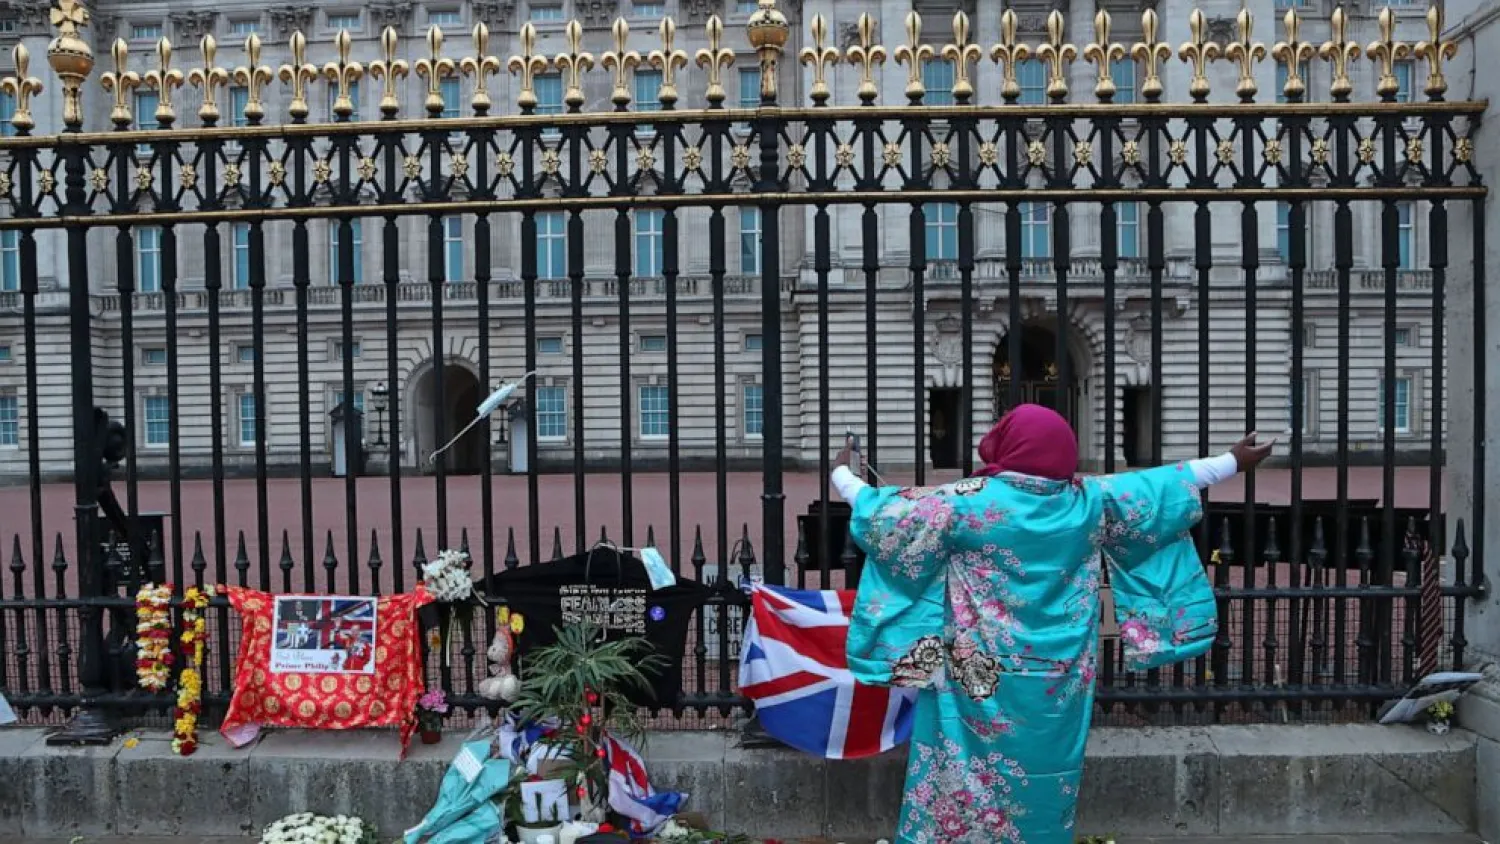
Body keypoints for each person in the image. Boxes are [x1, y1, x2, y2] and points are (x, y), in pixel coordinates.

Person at [831, 404, 1273, 844]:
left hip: (975, 675)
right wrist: (1233, 460)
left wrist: (841, 472)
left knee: (958, 765)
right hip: (1059, 676)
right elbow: (1162, 486)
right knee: (1044, 774)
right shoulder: (1088, 501)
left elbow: (878, 511)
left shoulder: (965, 502)